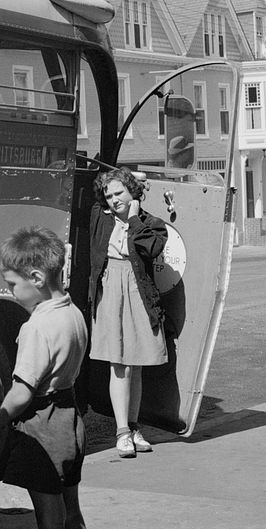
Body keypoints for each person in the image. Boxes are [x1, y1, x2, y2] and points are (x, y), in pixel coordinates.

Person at [0, 227, 89, 529]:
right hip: (69, 418)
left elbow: (23, 391)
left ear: (36, 279)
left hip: (43, 426)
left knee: (49, 522)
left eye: (11, 284)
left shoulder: (36, 327)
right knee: (71, 512)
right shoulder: (72, 312)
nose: (10, 292)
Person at [88, 168, 168, 458]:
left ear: (133, 192)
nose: (113, 200)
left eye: (119, 193)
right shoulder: (100, 216)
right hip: (110, 288)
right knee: (119, 363)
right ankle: (122, 432)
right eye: (108, 195)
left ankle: (133, 428)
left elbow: (149, 249)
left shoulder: (152, 225)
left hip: (137, 291)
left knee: (136, 363)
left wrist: (133, 217)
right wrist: (115, 180)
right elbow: (94, 182)